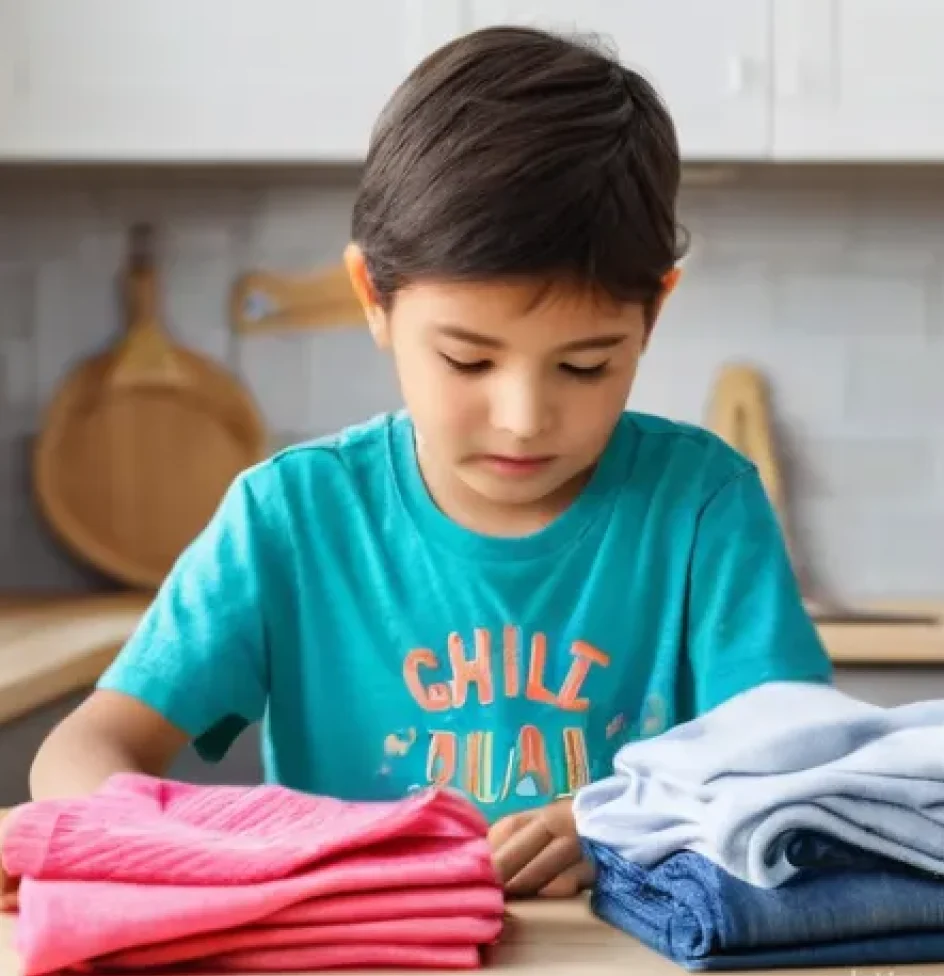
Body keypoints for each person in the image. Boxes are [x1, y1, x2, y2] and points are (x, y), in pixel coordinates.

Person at [13, 25, 832, 903]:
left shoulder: (703, 506)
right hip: (359, 968)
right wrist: (181, 843)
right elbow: (84, 750)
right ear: (374, 297)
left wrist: (631, 824)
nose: (522, 421)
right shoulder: (294, 517)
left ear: (653, 315)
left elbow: (799, 771)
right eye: (469, 361)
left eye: (585, 366)